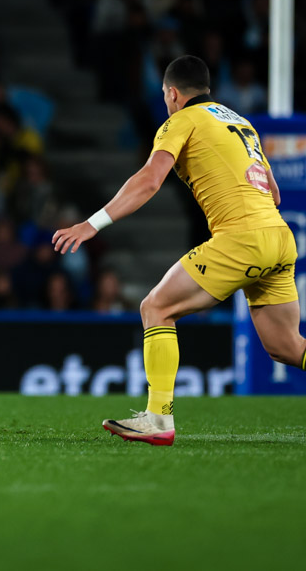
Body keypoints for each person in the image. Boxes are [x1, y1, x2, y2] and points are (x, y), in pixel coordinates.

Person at [53, 55, 305, 446]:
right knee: (288, 346)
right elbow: (273, 191)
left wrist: (91, 224)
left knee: (155, 307)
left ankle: (158, 419)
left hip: (242, 238)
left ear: (172, 93)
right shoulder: (241, 122)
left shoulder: (181, 121)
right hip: (279, 236)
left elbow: (149, 181)